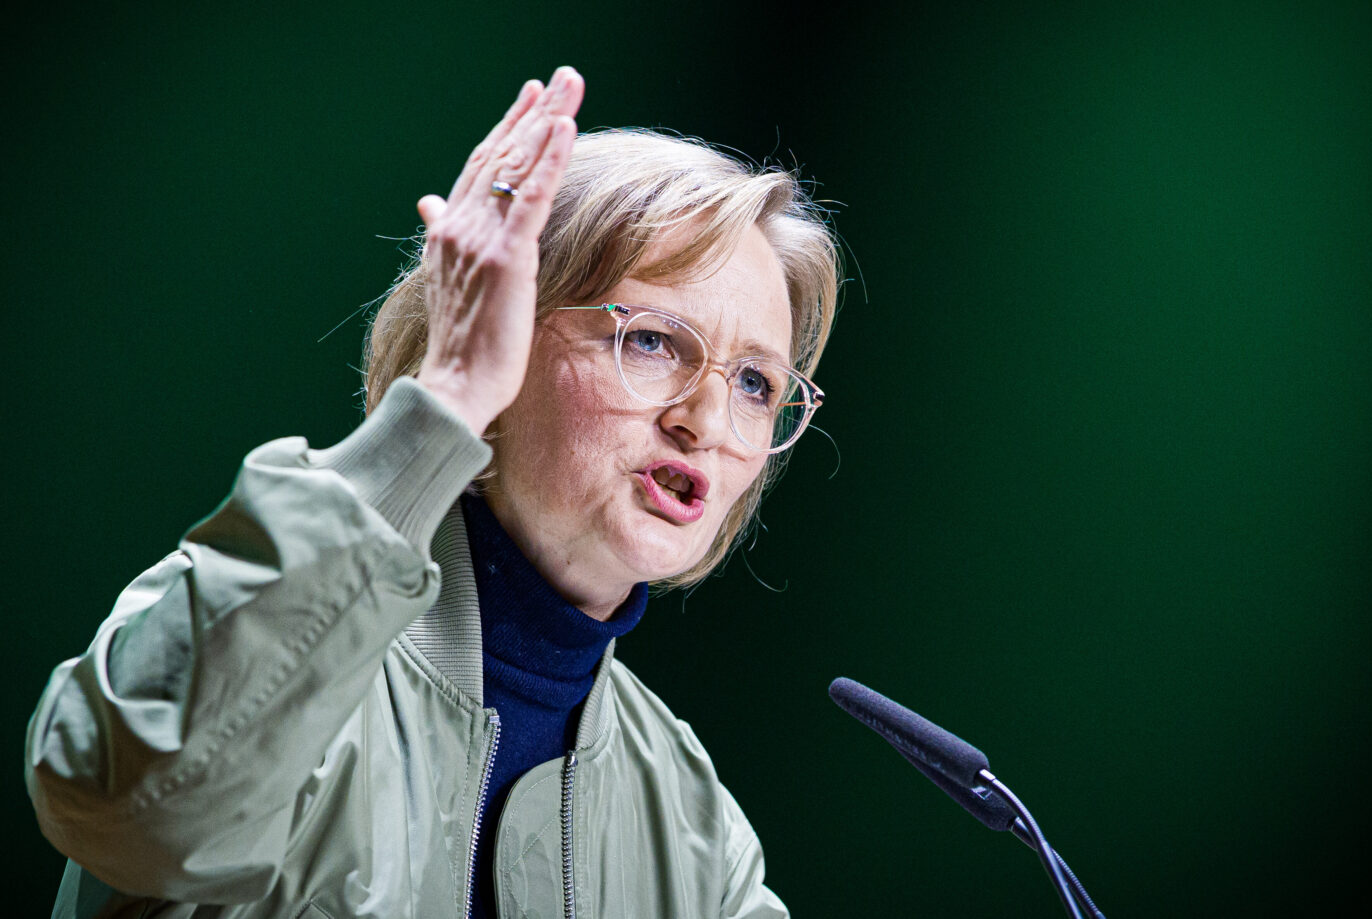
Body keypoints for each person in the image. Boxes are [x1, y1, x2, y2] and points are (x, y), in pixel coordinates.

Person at [25, 66, 839, 918]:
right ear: (494, 330)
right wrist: (443, 399)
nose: (707, 417)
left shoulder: (698, 833)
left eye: (755, 383)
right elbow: (127, 808)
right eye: (654, 342)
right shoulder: (277, 636)